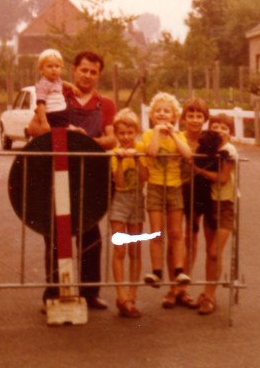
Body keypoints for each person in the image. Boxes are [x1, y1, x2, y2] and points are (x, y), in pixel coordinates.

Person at [28, 50, 116, 311]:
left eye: (93, 72)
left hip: (89, 178)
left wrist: (86, 143)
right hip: (58, 175)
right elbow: (33, 129)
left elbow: (112, 139)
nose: (87, 75)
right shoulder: (57, 96)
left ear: (98, 76)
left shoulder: (106, 104)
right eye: (83, 70)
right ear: (74, 70)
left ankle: (90, 294)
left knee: (91, 236)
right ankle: (52, 294)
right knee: (54, 236)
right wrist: (60, 133)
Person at [139, 92, 193, 309]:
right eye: (158, 111)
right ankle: (157, 270)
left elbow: (187, 154)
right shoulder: (147, 135)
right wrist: (156, 134)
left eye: (166, 111)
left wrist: (172, 136)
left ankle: (179, 271)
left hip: (174, 187)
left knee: (176, 232)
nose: (162, 114)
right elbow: (151, 153)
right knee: (157, 232)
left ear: (173, 116)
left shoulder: (177, 134)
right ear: (152, 115)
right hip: (155, 187)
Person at [193, 113, 239, 316]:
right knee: (211, 253)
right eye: (216, 126)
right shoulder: (210, 148)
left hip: (225, 206)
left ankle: (211, 294)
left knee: (214, 251)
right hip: (211, 204)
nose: (219, 130)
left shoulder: (228, 151)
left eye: (224, 128)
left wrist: (197, 170)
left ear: (230, 133)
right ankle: (207, 293)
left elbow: (222, 178)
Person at [109, 108, 146, 318]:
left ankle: (132, 295)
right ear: (116, 134)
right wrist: (122, 160)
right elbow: (120, 184)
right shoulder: (115, 154)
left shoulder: (141, 148)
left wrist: (138, 157)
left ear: (136, 133)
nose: (125, 137)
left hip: (137, 199)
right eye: (122, 133)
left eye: (129, 133)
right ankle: (121, 295)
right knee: (120, 250)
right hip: (121, 201)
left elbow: (144, 179)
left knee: (135, 250)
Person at [177, 97, 210, 309]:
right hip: (176, 188)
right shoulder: (177, 137)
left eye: (199, 116)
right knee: (175, 237)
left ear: (205, 119)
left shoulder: (209, 140)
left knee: (192, 236)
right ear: (183, 117)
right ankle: (173, 287)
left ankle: (184, 286)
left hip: (198, 191)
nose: (195, 120)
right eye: (191, 115)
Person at [32, 48, 74, 134]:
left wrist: (72, 86)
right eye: (49, 66)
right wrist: (44, 122)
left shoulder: (57, 80)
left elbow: (63, 83)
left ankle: (69, 130)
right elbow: (40, 104)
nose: (54, 69)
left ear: (61, 69)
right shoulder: (43, 85)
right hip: (52, 114)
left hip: (61, 111)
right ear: (41, 70)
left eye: (57, 66)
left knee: (65, 128)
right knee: (58, 134)